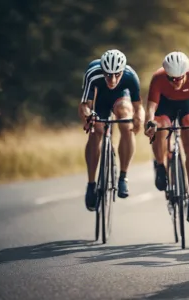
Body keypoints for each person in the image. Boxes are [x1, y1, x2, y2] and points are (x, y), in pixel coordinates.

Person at [144, 51, 189, 224]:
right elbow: (150, 108)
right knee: (161, 127)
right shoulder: (158, 78)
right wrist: (149, 123)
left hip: (187, 106)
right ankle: (160, 164)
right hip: (164, 107)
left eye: (179, 78)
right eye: (171, 78)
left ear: (186, 73)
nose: (176, 82)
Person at [79, 49, 144, 211]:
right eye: (108, 74)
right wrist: (88, 117)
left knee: (125, 118)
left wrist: (139, 119)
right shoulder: (93, 73)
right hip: (99, 99)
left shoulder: (130, 76)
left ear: (122, 71)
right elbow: (84, 105)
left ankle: (123, 177)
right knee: (96, 131)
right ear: (102, 70)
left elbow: (138, 107)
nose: (112, 79)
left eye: (117, 74)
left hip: (120, 98)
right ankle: (91, 183)